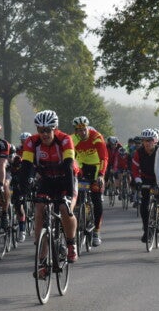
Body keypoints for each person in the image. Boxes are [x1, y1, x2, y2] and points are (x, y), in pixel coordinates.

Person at [17, 110, 79, 265]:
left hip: (66, 178)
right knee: (39, 208)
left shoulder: (65, 140)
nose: (44, 134)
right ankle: (42, 257)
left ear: (54, 128)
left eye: (47, 130)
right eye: (40, 130)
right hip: (46, 179)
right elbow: (26, 167)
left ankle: (71, 244)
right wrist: (22, 192)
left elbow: (68, 166)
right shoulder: (31, 142)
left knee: (65, 209)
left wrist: (68, 194)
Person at [71, 116, 108, 247]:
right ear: (75, 131)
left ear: (88, 128)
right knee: (74, 195)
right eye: (79, 130)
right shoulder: (72, 139)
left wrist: (101, 175)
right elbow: (69, 156)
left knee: (96, 200)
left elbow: (104, 158)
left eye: (84, 129)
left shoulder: (96, 137)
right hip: (81, 167)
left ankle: (96, 232)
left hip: (96, 168)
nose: (82, 132)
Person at [131, 128, 159, 243]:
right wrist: (138, 181)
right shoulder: (138, 152)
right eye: (145, 140)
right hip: (145, 179)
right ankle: (147, 230)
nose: (147, 143)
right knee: (144, 206)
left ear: (155, 141)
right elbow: (135, 169)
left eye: (150, 140)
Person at [10, 131, 32, 240]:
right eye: (23, 141)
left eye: (26, 141)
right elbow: (12, 164)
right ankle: (21, 227)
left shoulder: (34, 149)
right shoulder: (17, 150)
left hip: (30, 177)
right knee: (18, 203)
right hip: (18, 178)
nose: (24, 143)